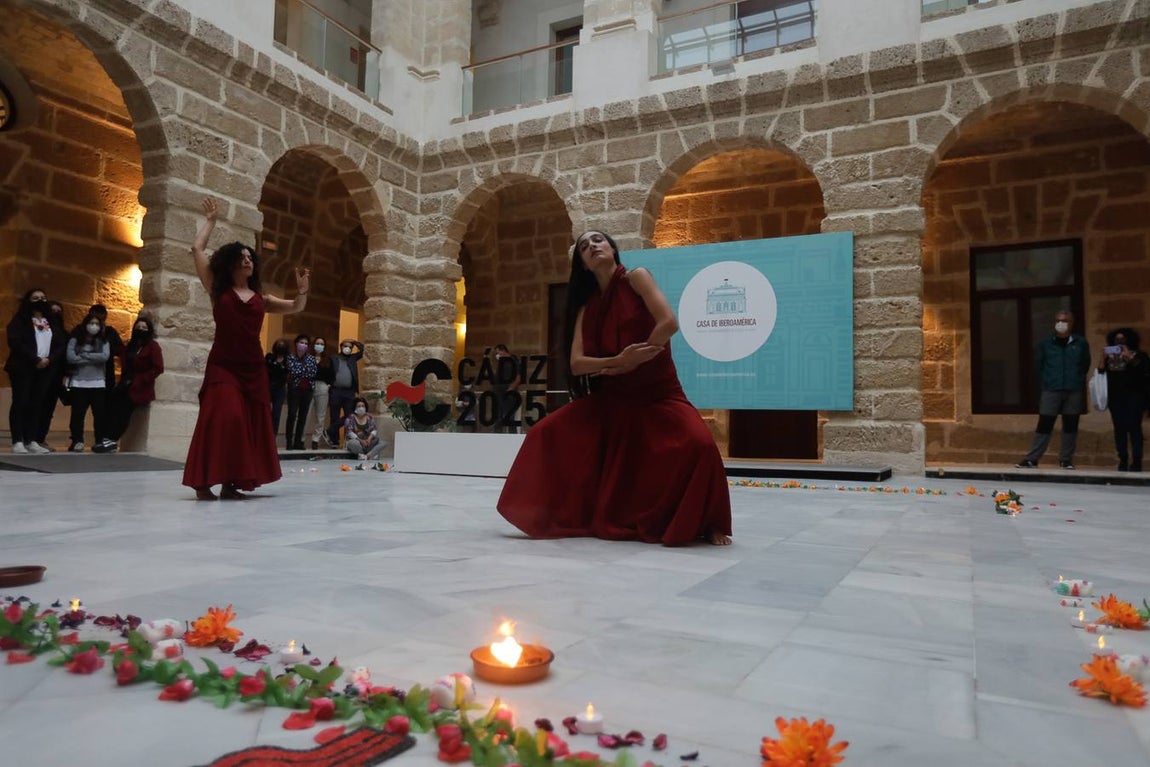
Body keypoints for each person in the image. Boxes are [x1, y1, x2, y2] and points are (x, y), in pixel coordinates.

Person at [497, 230, 732, 546]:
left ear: (612, 248)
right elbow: (578, 363)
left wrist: (635, 359)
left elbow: (668, 323)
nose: (592, 246)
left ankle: (709, 522)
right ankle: (546, 513)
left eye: (598, 240)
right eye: (584, 246)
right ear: (582, 263)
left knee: (700, 444)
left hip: (657, 393)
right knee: (544, 432)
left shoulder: (637, 278)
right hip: (613, 398)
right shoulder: (586, 307)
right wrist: (618, 361)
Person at [181, 198, 310, 500]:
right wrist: (210, 222)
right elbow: (197, 250)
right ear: (230, 263)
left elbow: (294, 307)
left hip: (252, 367)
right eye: (240, 256)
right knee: (225, 416)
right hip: (223, 364)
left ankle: (231, 482)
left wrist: (302, 291)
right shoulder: (217, 289)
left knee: (246, 422)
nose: (246, 259)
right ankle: (203, 482)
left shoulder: (260, 298)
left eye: (249, 256)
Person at [1016, 309, 1092, 469]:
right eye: (1058, 320)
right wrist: (1047, 381)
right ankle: (1032, 458)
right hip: (1051, 388)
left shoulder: (1080, 343)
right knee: (1045, 423)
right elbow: (1038, 366)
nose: (1061, 324)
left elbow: (1085, 364)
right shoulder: (1045, 344)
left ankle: (1066, 459)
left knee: (1070, 424)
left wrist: (1076, 378)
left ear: (1071, 323)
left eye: (1064, 321)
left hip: (1073, 389)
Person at [5, 288, 64, 454]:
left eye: (43, 298)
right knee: (21, 402)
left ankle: (31, 440)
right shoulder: (21, 320)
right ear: (28, 301)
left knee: (37, 404)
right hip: (23, 367)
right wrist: (35, 359)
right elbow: (15, 342)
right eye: (35, 298)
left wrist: (49, 359)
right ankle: (18, 440)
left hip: (45, 368)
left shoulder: (51, 321)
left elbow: (60, 343)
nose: (40, 300)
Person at [107, 313, 164, 443]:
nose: (141, 330)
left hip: (138, 386)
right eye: (138, 327)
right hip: (124, 384)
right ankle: (106, 436)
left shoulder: (153, 347)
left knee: (124, 412)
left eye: (144, 328)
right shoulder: (130, 346)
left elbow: (158, 367)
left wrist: (141, 379)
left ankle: (112, 438)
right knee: (112, 407)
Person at [1097, 327, 1148, 472]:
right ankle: (1123, 459)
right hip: (1116, 397)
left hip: (1135, 397)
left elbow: (1143, 373)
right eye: (1116, 340)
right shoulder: (1111, 358)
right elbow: (1100, 372)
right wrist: (1103, 358)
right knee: (1119, 429)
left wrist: (1130, 359)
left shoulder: (1140, 355)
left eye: (1122, 339)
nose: (1119, 342)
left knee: (1134, 428)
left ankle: (1137, 460)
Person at [66, 312, 114, 453]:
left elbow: (104, 357)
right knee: (77, 414)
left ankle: (99, 441)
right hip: (78, 382)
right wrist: (93, 358)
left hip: (98, 382)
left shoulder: (104, 341)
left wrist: (84, 355)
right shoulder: (75, 340)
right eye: (91, 323)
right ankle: (77, 440)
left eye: (97, 324)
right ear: (85, 324)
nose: (94, 326)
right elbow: (70, 357)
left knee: (99, 415)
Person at [36, 299, 68, 451]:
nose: (56, 314)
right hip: (40, 372)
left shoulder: (64, 333)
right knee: (36, 405)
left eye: (58, 311)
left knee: (48, 409)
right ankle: (29, 438)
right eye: (53, 311)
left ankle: (40, 438)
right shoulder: (42, 328)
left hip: (56, 376)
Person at [327, 338, 364, 446]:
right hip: (336, 391)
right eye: (345, 346)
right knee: (334, 415)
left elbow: (363, 350)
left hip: (349, 392)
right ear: (341, 347)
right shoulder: (334, 358)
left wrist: (354, 342)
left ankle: (345, 439)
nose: (347, 348)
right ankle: (334, 441)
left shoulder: (353, 358)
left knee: (350, 415)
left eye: (349, 347)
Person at [284, 333, 317, 451]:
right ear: (296, 343)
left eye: (306, 343)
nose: (303, 345)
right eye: (301, 342)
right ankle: (289, 442)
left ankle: (298, 442)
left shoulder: (311, 358)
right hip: (294, 389)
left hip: (307, 389)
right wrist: (303, 370)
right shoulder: (290, 357)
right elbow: (293, 370)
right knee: (292, 414)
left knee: (303, 416)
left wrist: (300, 371)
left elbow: (312, 372)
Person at [87, 303, 124, 390]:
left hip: (106, 374)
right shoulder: (81, 331)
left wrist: (106, 352)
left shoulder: (110, 332)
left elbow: (120, 349)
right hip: (85, 374)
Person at [308, 336, 334, 449]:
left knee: (321, 415)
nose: (319, 345)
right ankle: (301, 438)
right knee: (306, 413)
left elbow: (332, 374)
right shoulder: (308, 358)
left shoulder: (328, 359)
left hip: (322, 386)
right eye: (317, 343)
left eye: (322, 344)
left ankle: (315, 439)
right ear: (313, 345)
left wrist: (328, 385)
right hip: (309, 386)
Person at [343, 396, 385, 461]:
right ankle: (367, 454)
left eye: (363, 406)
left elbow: (374, 430)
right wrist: (360, 441)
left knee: (383, 443)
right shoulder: (350, 418)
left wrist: (369, 439)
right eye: (359, 406)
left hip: (367, 442)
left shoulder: (369, 417)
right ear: (355, 408)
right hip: (357, 441)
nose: (361, 408)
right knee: (353, 444)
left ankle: (368, 455)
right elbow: (349, 433)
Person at [491, 344, 520, 433]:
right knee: (498, 415)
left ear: (503, 350)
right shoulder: (501, 363)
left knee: (509, 415)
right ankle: (497, 435)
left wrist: (511, 389)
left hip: (508, 393)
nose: (497, 355)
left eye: (498, 352)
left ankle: (512, 435)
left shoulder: (513, 361)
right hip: (499, 392)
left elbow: (518, 377)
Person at [265, 338, 290, 440]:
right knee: (266, 412)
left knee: (276, 413)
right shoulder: (269, 357)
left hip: (280, 389)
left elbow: (285, 375)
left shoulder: (288, 360)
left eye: (282, 345)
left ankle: (272, 436)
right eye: (279, 345)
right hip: (268, 387)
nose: (280, 347)